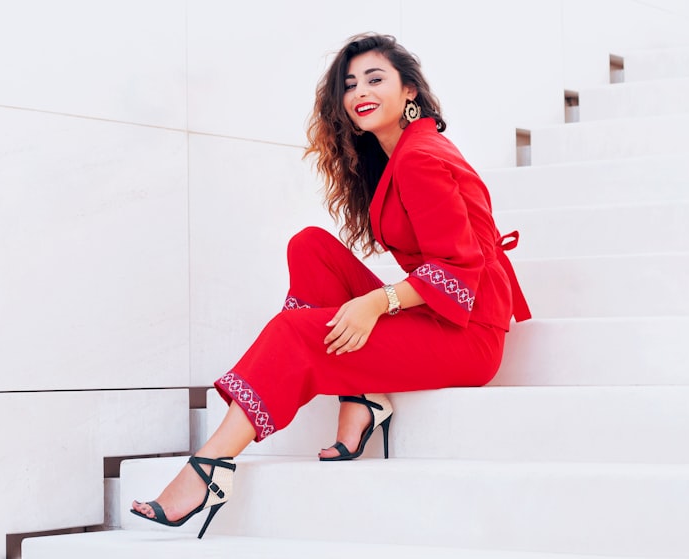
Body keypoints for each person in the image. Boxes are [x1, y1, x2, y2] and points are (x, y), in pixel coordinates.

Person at [130, 33, 530, 539]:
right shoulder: (400, 153)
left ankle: (209, 468)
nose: (360, 90)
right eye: (350, 83)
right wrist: (374, 303)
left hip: (468, 333)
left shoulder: (421, 157)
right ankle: (359, 392)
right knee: (312, 247)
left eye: (375, 78)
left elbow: (458, 267)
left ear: (410, 91)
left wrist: (376, 302)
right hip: (445, 312)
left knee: (297, 333)